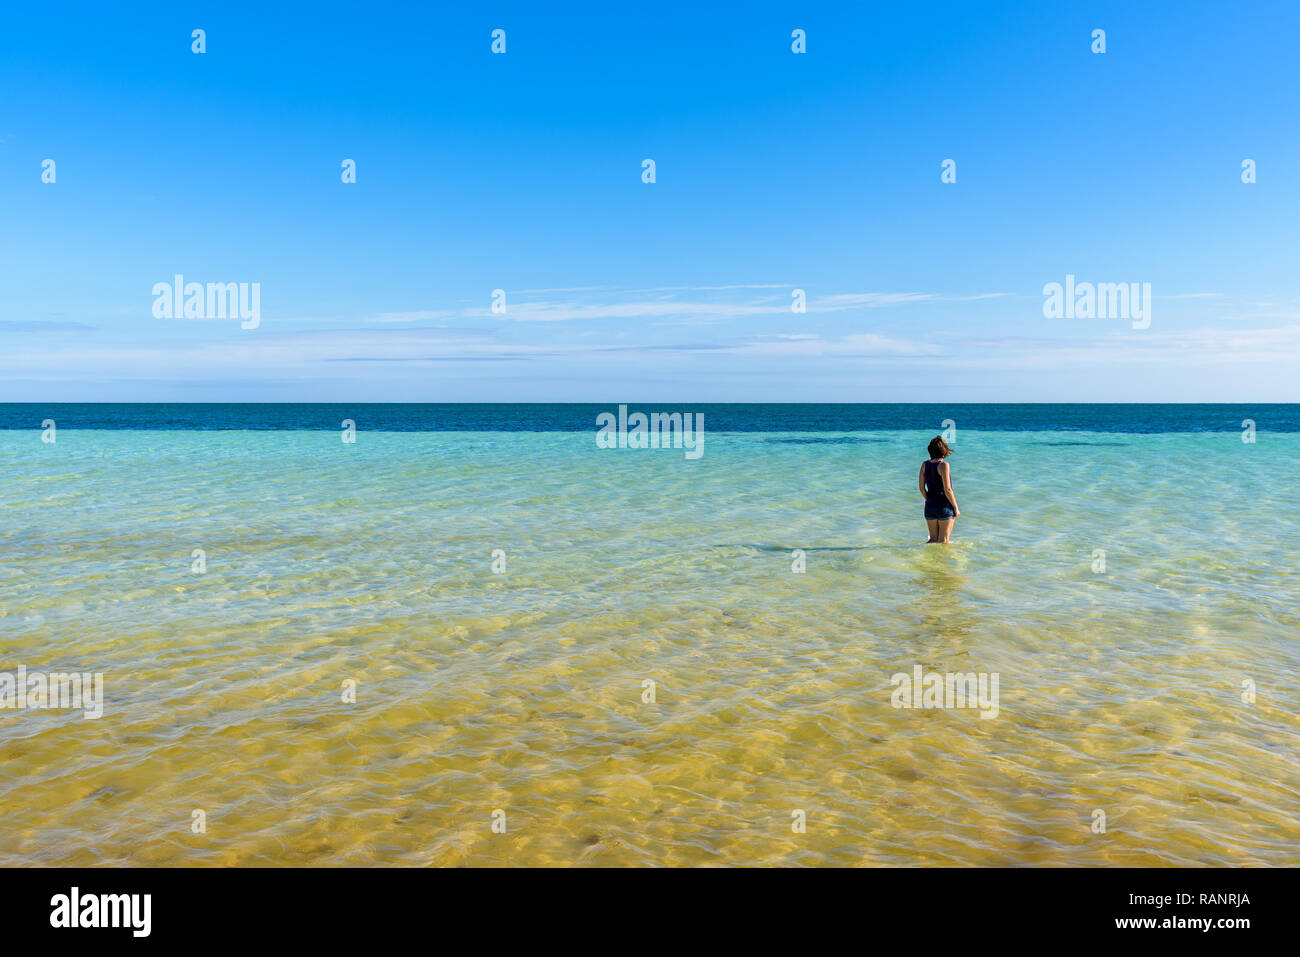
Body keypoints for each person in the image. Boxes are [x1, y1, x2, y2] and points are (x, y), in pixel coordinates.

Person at [918, 436, 959, 544]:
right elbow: (948, 489)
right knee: (943, 542)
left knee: (932, 540)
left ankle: (927, 560)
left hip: (929, 507)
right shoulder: (943, 465)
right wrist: (955, 508)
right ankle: (942, 561)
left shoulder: (924, 465)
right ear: (944, 449)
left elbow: (921, 488)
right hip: (944, 507)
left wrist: (930, 500)